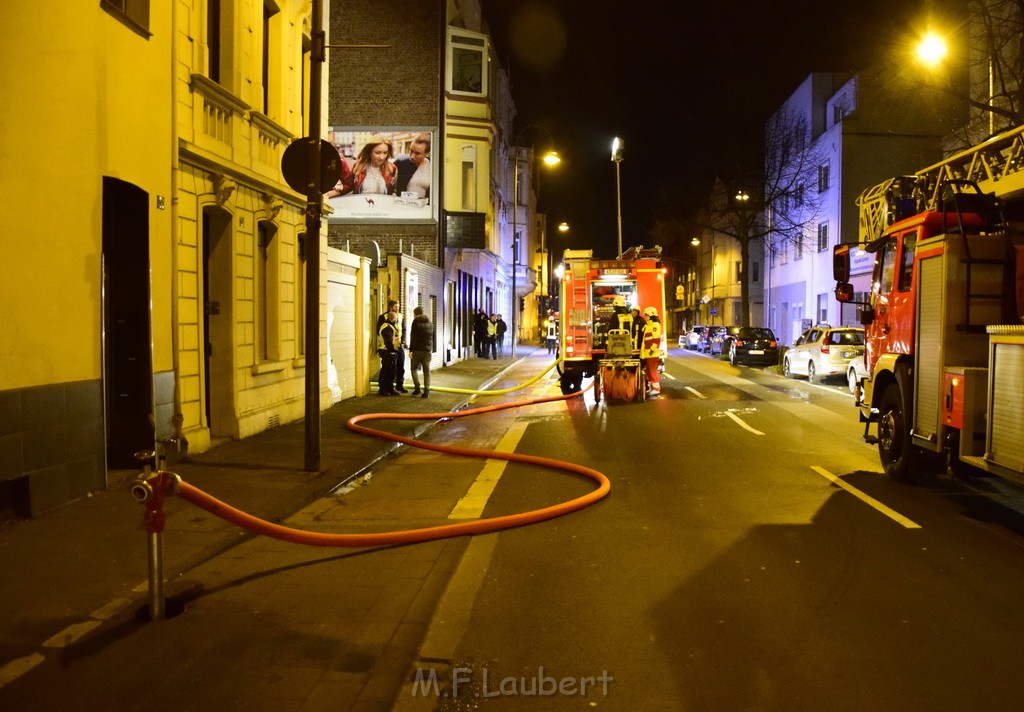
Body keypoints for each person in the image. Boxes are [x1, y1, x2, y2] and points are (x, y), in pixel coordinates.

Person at [376, 300, 408, 393]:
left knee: (399, 366)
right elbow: (380, 332)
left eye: (398, 306)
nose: (398, 308)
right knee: (388, 368)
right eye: (396, 307)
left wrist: (402, 341)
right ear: (390, 307)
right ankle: (384, 387)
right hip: (388, 347)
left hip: (397, 345)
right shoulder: (383, 317)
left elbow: (404, 329)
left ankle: (399, 385)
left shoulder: (401, 316)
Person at [394, 133, 431, 199]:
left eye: (417, 153)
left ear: (427, 153)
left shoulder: (432, 166)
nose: (412, 156)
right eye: (411, 150)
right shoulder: (400, 163)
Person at [408, 306, 433, 398]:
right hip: (427, 350)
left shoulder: (415, 323)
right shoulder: (430, 323)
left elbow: (413, 338)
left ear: (415, 314)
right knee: (427, 371)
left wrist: (411, 350)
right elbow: (432, 337)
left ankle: (417, 387)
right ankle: (426, 391)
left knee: (413, 369)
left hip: (417, 350)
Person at [640, 306, 663, 396]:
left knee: (653, 371)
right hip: (648, 353)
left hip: (652, 354)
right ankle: (651, 387)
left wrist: (651, 350)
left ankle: (656, 388)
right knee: (649, 371)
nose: (646, 317)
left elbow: (656, 340)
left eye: (647, 315)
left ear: (651, 315)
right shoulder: (649, 325)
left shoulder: (655, 325)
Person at [376, 311, 399, 396]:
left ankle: (390, 388)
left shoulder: (390, 326)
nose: (397, 320)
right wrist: (392, 351)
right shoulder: (387, 327)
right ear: (393, 318)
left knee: (391, 371)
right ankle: (383, 389)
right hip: (387, 352)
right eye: (396, 318)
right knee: (386, 370)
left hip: (389, 351)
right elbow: (388, 341)